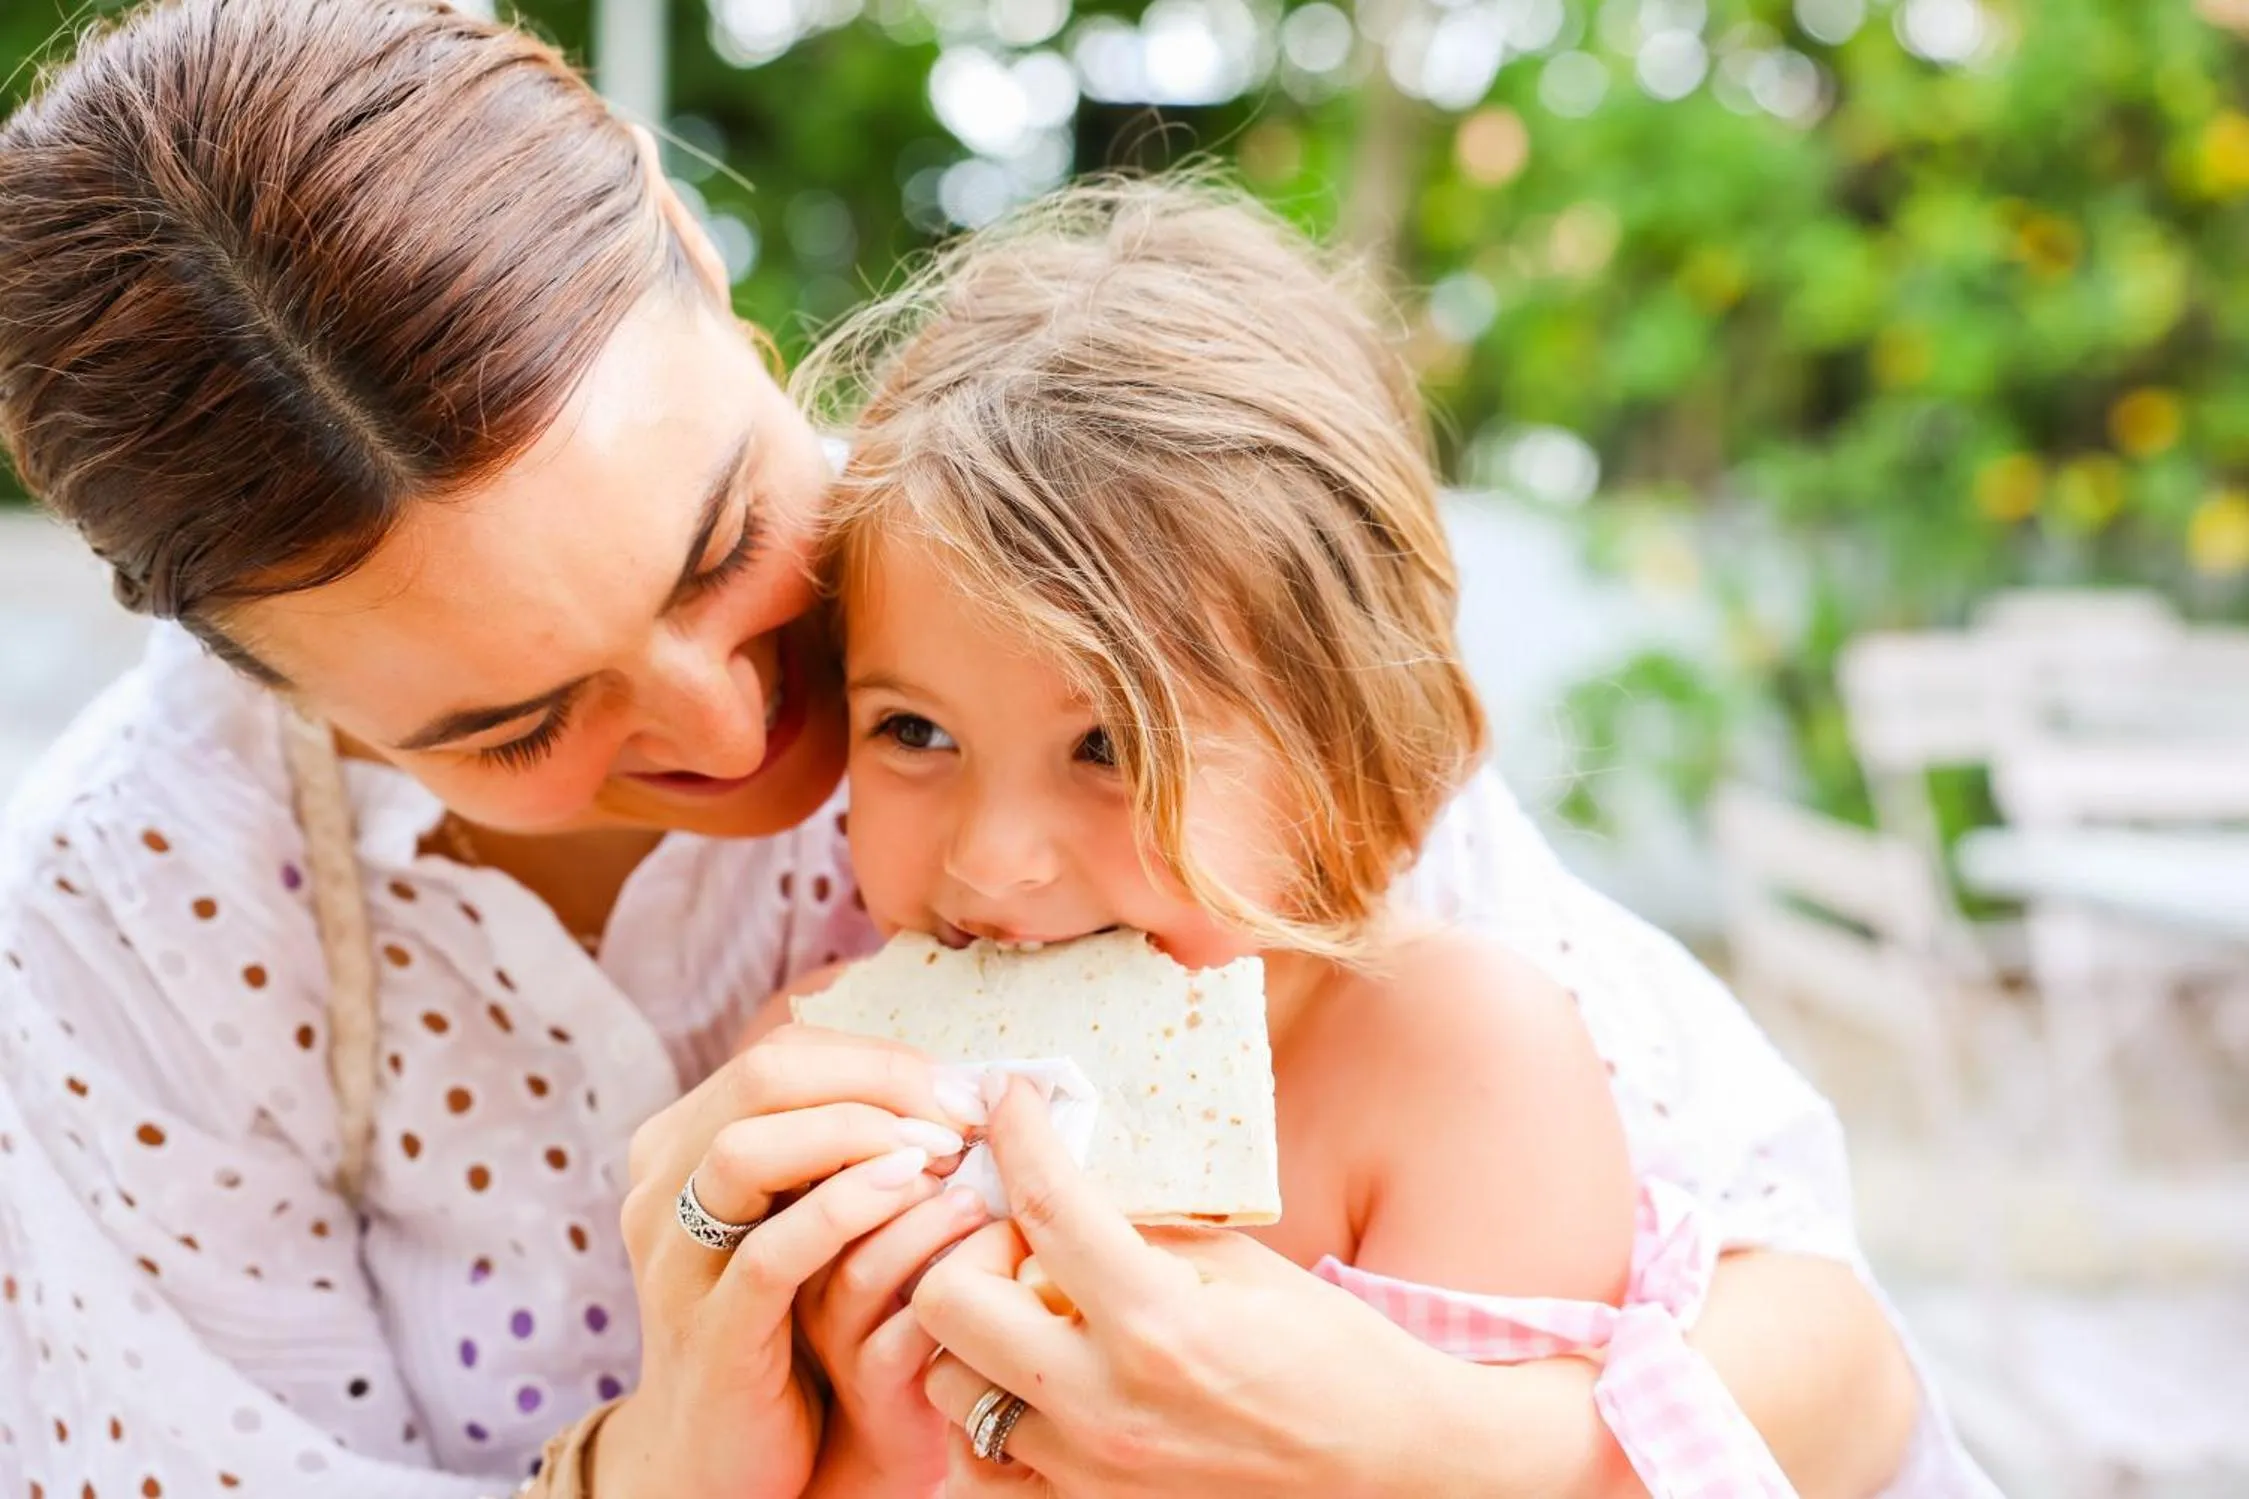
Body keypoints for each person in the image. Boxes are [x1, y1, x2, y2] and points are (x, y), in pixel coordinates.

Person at [0, 1, 1986, 1496]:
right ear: (258, 675)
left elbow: (1824, 1340)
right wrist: (669, 1460)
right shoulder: (112, 931)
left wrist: (1458, 1446)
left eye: (717, 547)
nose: (735, 721)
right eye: (511, 719)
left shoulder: (1097, 572)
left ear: (688, 246)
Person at [776, 179, 1640, 1495]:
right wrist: (846, 1435)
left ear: (1345, 764)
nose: (994, 858)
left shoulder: (1454, 1059)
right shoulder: (825, 1073)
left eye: (1111, 747)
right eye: (914, 732)